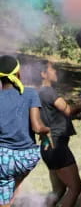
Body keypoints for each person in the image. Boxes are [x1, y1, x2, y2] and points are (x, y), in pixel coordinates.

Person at [0, 55, 52, 207]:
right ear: (18, 74)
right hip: (26, 158)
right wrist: (47, 131)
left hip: (2, 158)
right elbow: (37, 127)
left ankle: (7, 193)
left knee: (5, 182)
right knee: (12, 182)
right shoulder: (29, 93)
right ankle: (11, 190)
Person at [35, 61, 81, 207]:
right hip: (57, 146)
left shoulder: (38, 93)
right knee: (75, 188)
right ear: (43, 74)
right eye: (52, 69)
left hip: (48, 146)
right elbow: (67, 110)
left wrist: (77, 114)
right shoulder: (49, 92)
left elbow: (52, 115)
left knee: (58, 189)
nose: (56, 71)